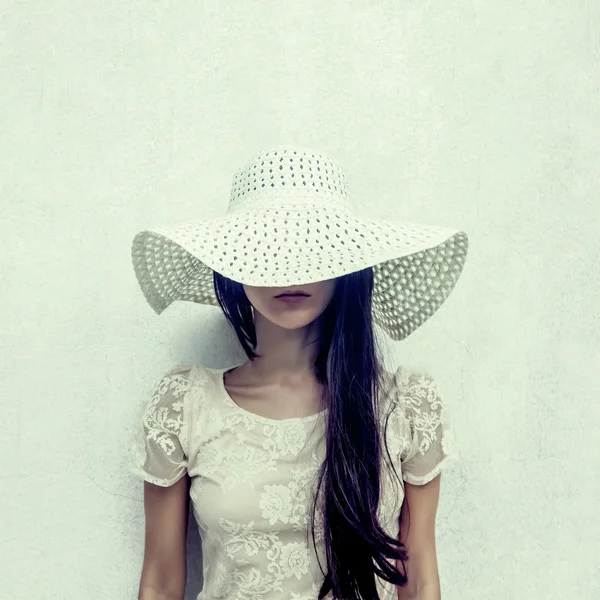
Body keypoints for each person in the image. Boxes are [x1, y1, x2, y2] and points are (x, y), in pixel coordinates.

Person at [129, 145, 469, 600]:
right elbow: (160, 580)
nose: (290, 269)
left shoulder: (404, 406)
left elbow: (420, 573)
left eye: (313, 247)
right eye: (266, 248)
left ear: (347, 266)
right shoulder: (184, 405)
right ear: (232, 266)